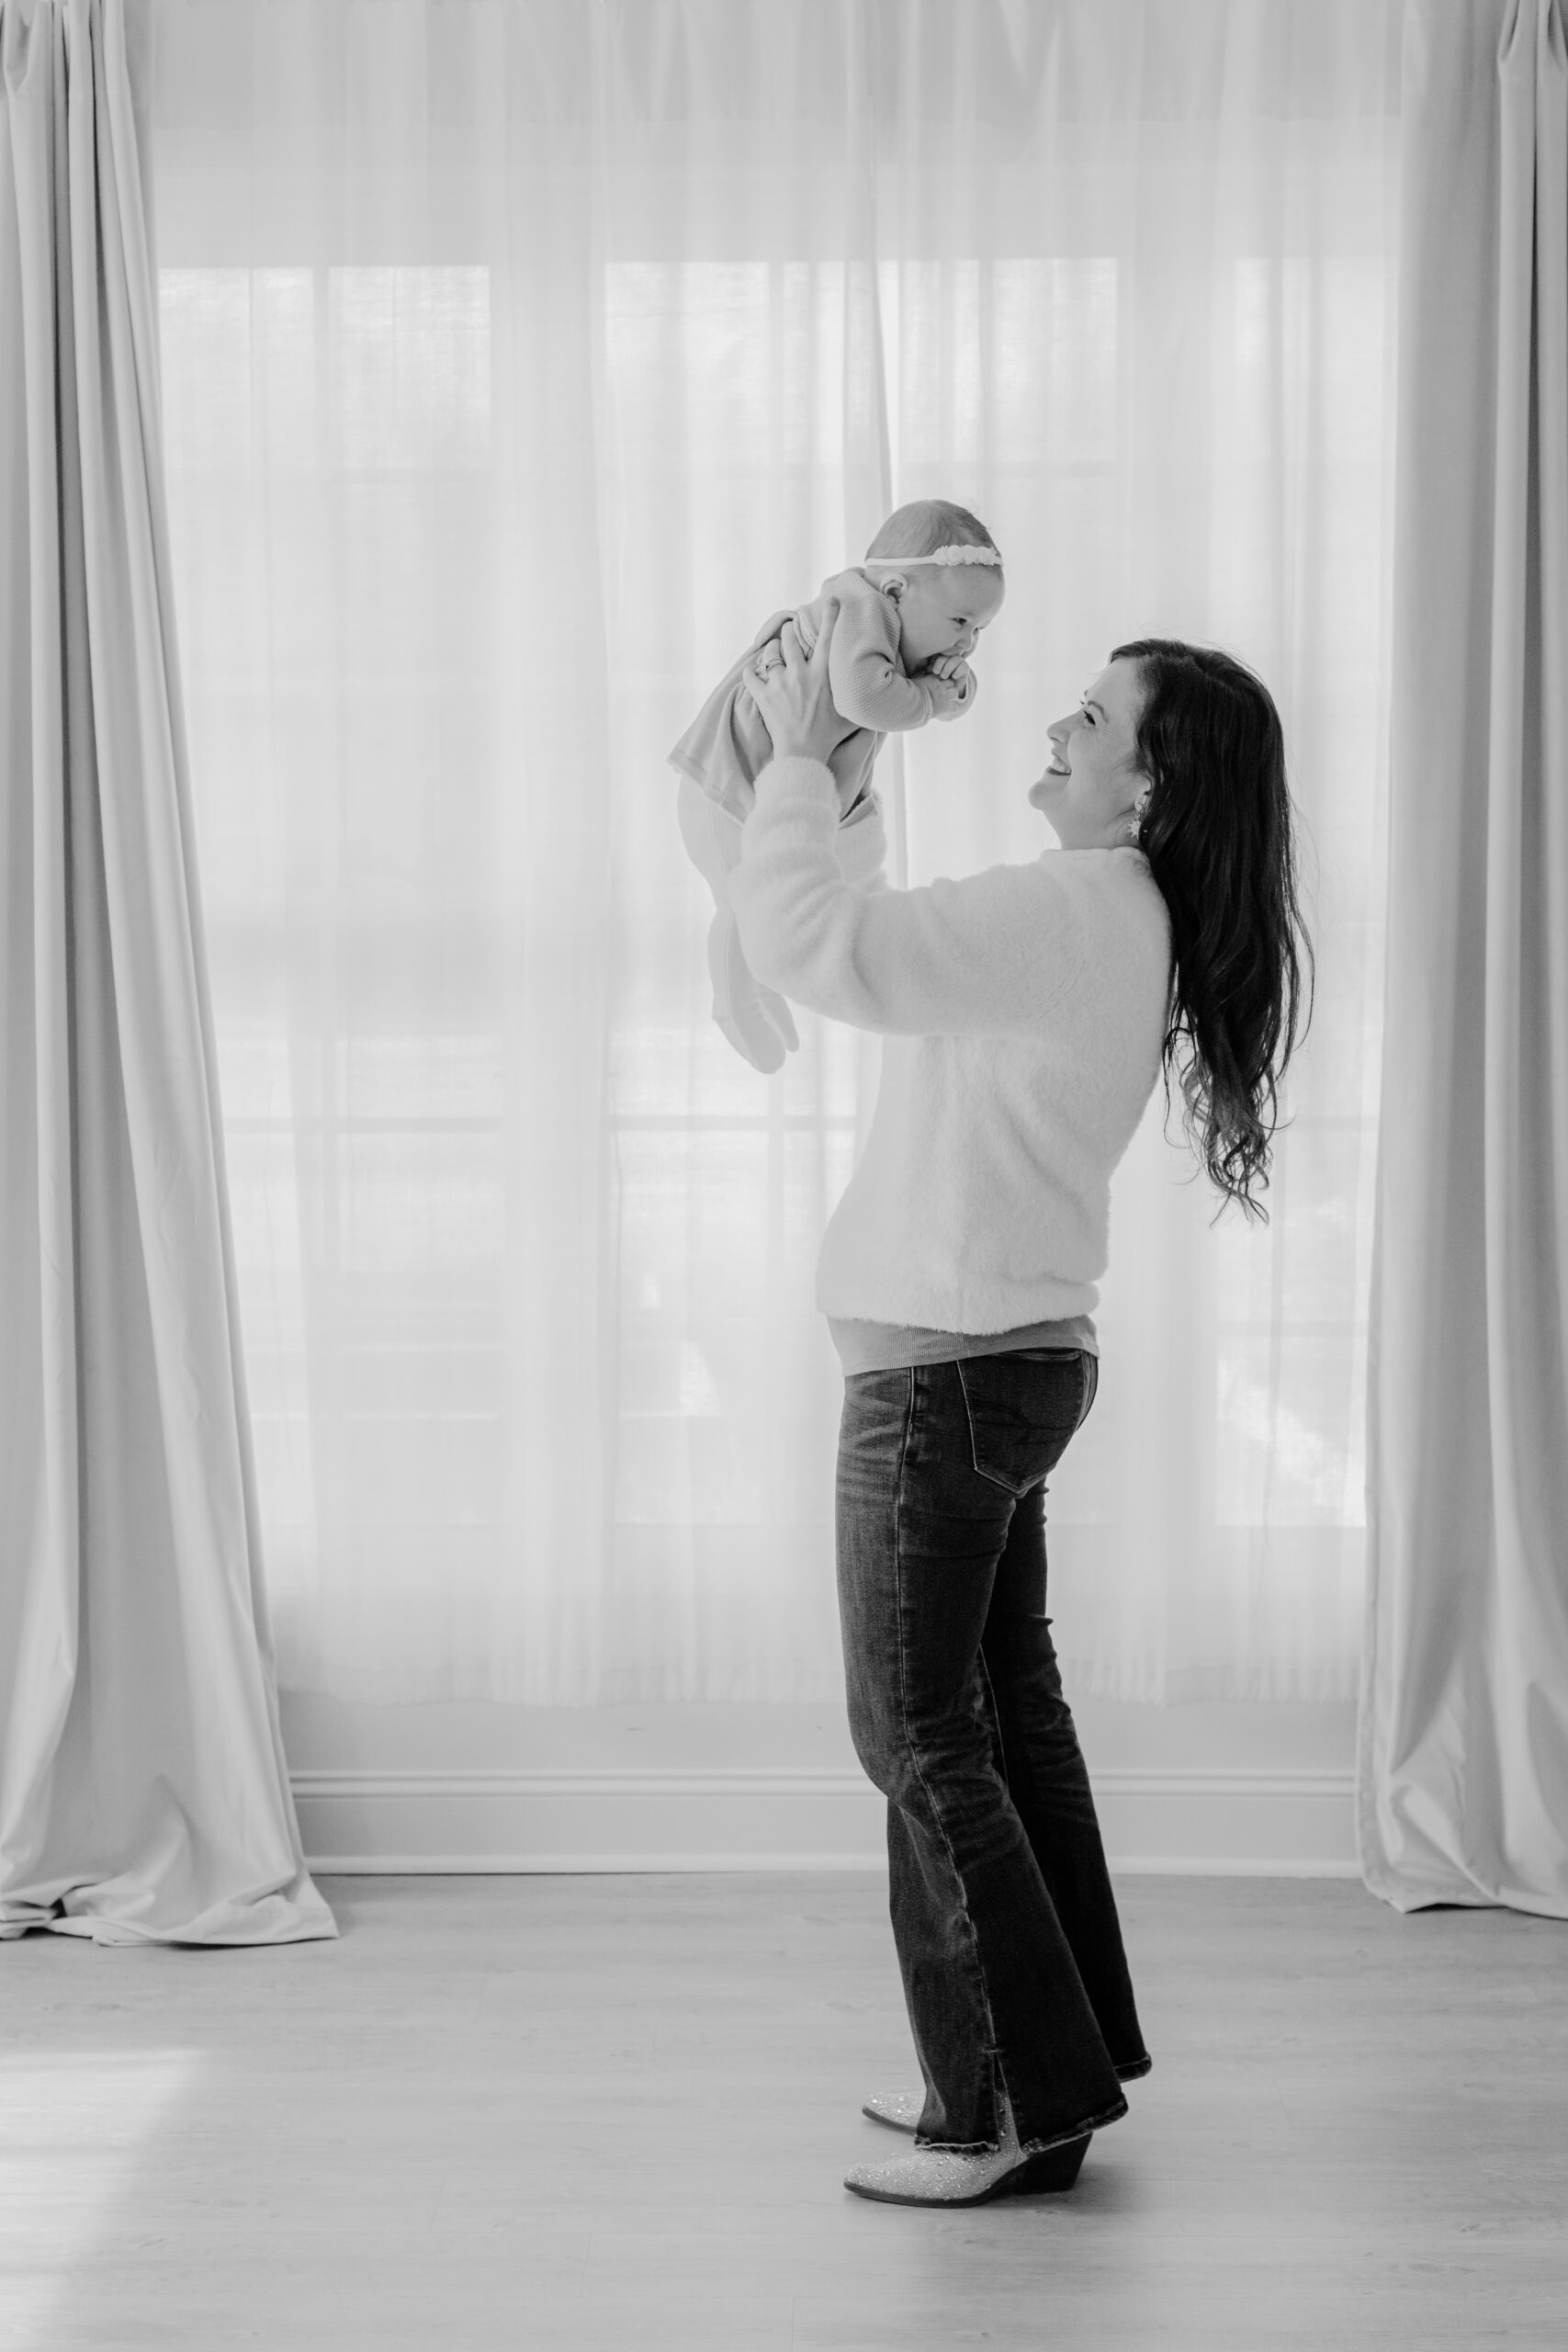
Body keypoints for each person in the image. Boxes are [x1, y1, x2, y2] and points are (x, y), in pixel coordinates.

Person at [730, 609, 1313, 2209]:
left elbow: (821, 948)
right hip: (1004, 1364)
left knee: (913, 1731)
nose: (1052, 733)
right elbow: (879, 926)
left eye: (1087, 722)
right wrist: (833, 773)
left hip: (946, 1378)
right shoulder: (1105, 910)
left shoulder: (1071, 905)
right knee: (998, 1720)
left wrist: (793, 757)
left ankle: (1002, 2108)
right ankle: (1036, 2065)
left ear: (1147, 791)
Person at [669, 500, 1005, 1071]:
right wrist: (931, 698)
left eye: (979, 629)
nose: (969, 640)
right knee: (743, 901)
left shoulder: (892, 632)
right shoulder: (858, 610)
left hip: (757, 794)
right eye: (960, 622)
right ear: (896, 590)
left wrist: (956, 689)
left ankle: (763, 983)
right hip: (725, 790)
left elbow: (913, 698)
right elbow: (864, 700)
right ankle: (732, 1001)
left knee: (768, 907)